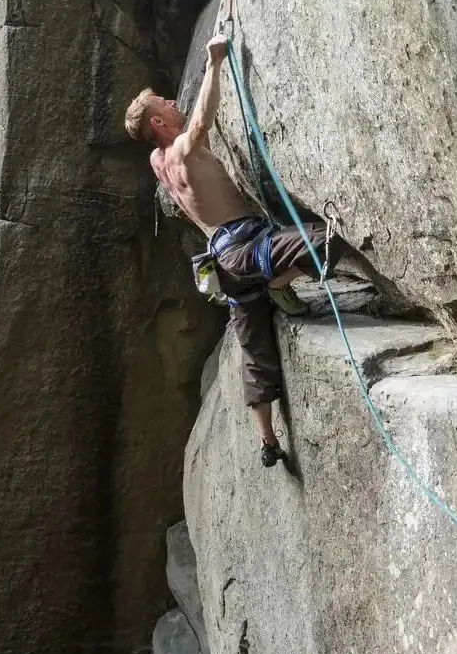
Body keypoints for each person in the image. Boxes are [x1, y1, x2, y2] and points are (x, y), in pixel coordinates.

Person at [125, 33, 364, 468]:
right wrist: (215, 62)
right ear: (158, 124)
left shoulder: (158, 164)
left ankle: (267, 440)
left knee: (256, 352)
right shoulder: (176, 152)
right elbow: (199, 122)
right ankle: (278, 281)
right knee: (325, 239)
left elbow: (182, 134)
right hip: (245, 248)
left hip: (224, 264)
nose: (172, 103)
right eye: (164, 104)